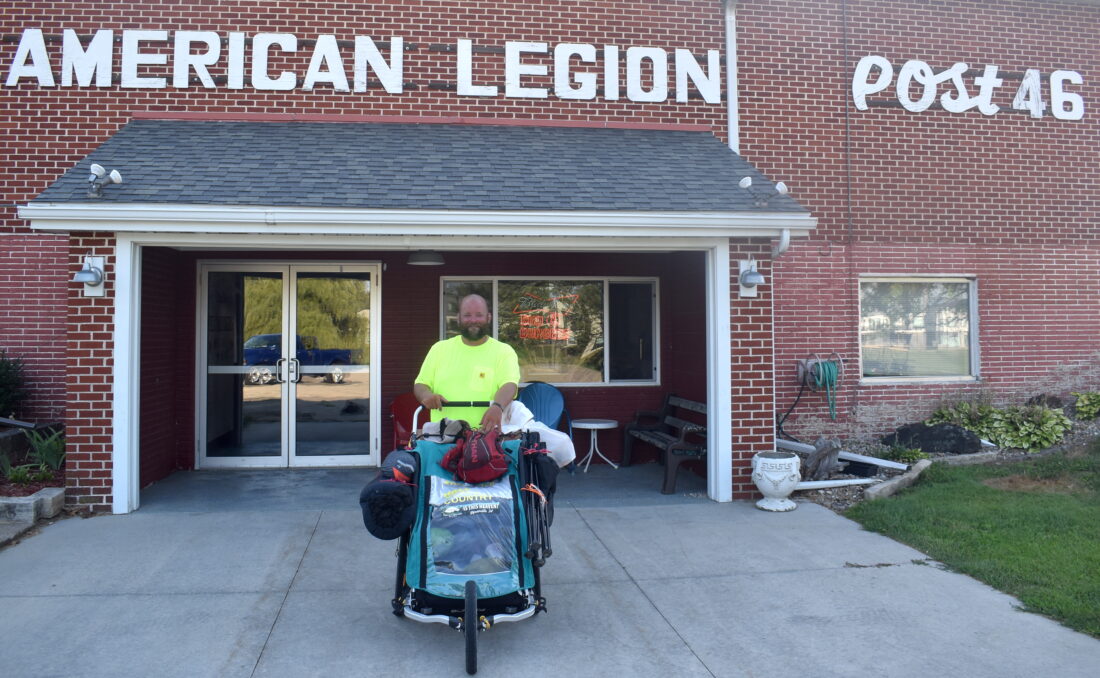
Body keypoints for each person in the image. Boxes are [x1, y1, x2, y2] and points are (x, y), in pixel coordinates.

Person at [414, 294, 520, 431]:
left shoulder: (504, 351)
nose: (473, 320)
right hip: (441, 437)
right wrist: (427, 396)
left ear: (489, 317)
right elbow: (421, 384)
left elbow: (509, 385)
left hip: (486, 438)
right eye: (467, 315)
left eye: (479, 315)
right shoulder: (438, 349)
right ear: (458, 318)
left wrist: (497, 406)